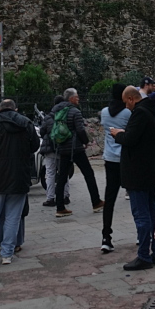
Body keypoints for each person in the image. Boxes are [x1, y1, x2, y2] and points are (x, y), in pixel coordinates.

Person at [0, 99, 39, 266]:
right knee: (13, 217)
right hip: (19, 177)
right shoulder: (26, 123)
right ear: (15, 109)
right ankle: (7, 254)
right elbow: (35, 146)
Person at [110, 86, 155, 270]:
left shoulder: (140, 113)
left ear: (131, 99)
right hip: (149, 169)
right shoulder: (151, 112)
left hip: (137, 172)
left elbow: (130, 139)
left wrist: (118, 134)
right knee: (152, 211)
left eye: (126, 102)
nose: (126, 106)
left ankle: (144, 255)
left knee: (142, 215)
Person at [53, 88, 104, 217]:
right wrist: (85, 141)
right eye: (76, 97)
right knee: (89, 174)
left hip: (63, 148)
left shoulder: (57, 110)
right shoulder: (75, 111)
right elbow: (80, 130)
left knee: (62, 177)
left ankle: (60, 207)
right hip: (75, 148)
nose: (78, 98)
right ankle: (96, 202)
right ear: (71, 99)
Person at [100, 83, 132, 252]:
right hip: (125, 159)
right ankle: (140, 234)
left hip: (109, 158)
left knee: (109, 199)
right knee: (134, 196)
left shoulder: (104, 112)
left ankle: (106, 236)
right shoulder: (127, 113)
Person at [39, 95, 70, 209]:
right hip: (64, 149)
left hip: (50, 149)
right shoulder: (67, 115)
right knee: (64, 173)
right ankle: (65, 196)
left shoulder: (48, 117)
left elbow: (42, 131)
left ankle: (50, 198)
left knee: (50, 173)